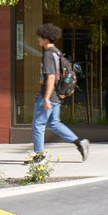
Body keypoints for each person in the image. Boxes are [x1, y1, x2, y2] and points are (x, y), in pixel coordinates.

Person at [32, 23, 90, 162]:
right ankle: (79, 143)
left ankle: (39, 155)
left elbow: (51, 76)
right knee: (54, 123)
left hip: (49, 94)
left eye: (40, 37)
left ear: (46, 38)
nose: (38, 39)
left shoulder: (48, 54)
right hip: (57, 95)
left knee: (38, 124)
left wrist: (46, 98)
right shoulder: (57, 52)